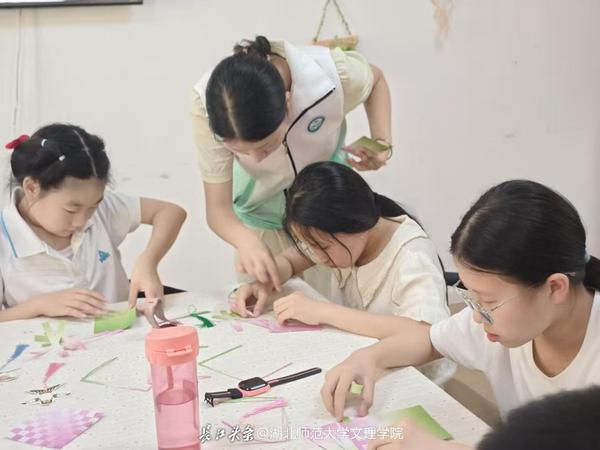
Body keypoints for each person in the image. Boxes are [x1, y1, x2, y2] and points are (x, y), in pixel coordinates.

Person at [320, 179, 600, 449]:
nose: (477, 317)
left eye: (488, 301)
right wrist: (366, 358)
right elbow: (429, 340)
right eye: (471, 297)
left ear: (554, 288)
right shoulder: (503, 322)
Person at [192, 35, 392, 294]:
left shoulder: (331, 76)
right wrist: (246, 241)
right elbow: (218, 210)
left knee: (330, 305)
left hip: (325, 215)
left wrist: (382, 143)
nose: (256, 159)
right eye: (240, 152)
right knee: (261, 304)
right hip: (259, 217)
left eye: (266, 146)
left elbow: (375, 80)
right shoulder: (207, 109)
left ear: (288, 103)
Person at [232, 162, 455, 385]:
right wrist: (266, 280)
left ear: (358, 224)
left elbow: (424, 335)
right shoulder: (347, 237)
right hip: (366, 363)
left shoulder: (412, 257)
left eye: (323, 247)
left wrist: (322, 311)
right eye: (310, 245)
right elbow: (290, 260)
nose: (318, 257)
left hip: (415, 379)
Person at [0, 123, 186, 321]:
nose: (82, 220)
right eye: (71, 209)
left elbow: (170, 213)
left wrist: (148, 261)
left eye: (93, 207)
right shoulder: (5, 240)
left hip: (123, 334)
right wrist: (39, 306)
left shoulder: (104, 209)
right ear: (31, 188)